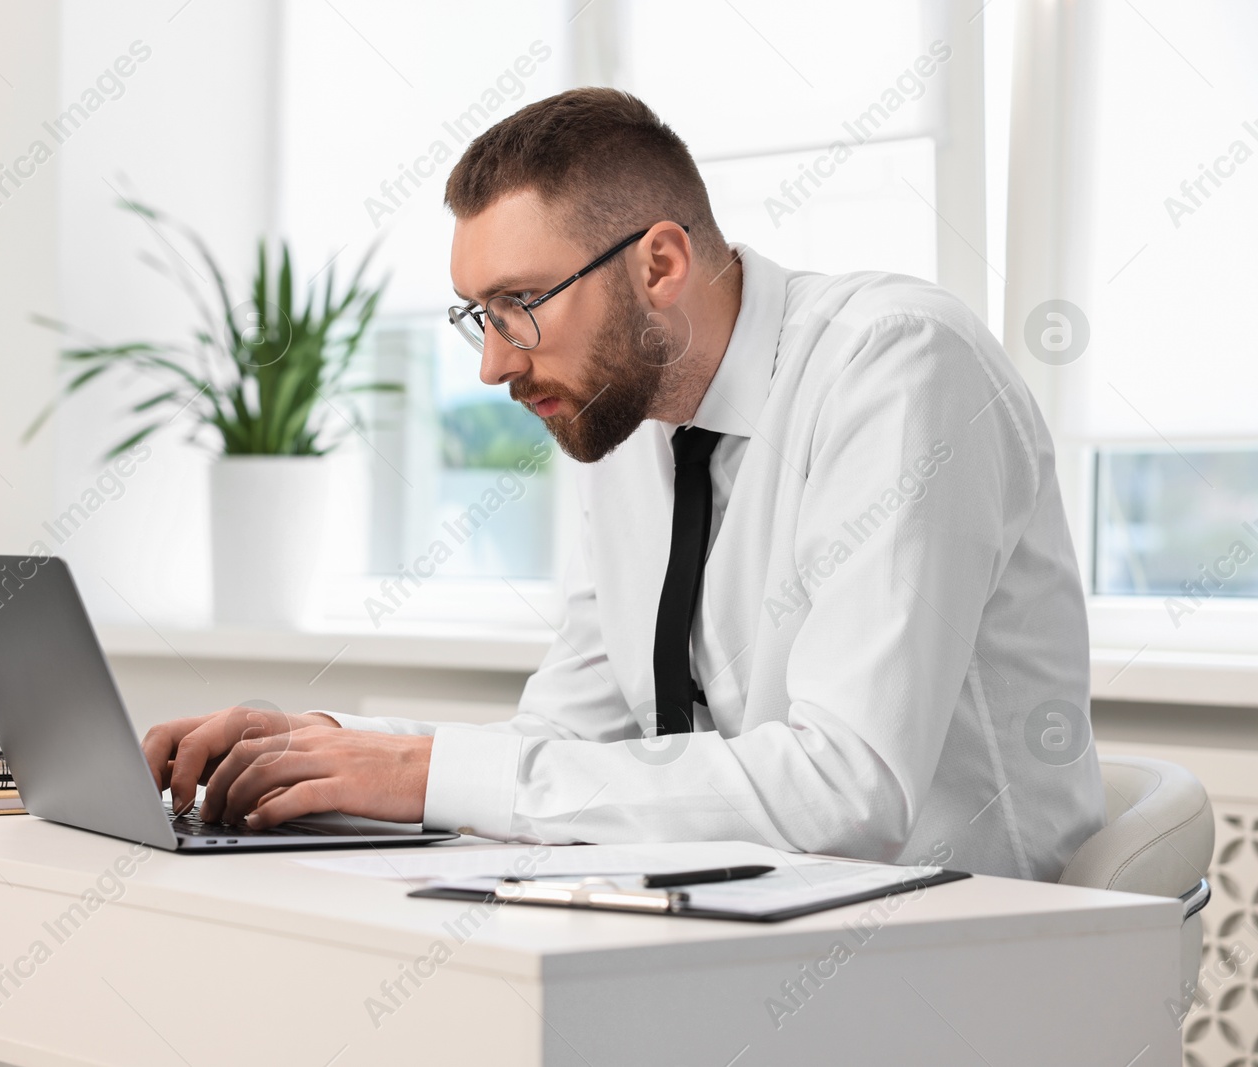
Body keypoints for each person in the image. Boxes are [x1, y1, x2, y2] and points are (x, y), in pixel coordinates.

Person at [140, 88, 1105, 880]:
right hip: (756, 931)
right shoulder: (633, 420)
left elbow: (845, 789)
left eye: (518, 305)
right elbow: (563, 742)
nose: (491, 366)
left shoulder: (897, 365)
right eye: (476, 316)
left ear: (660, 264)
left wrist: (420, 769)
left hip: (969, 951)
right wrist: (321, 749)